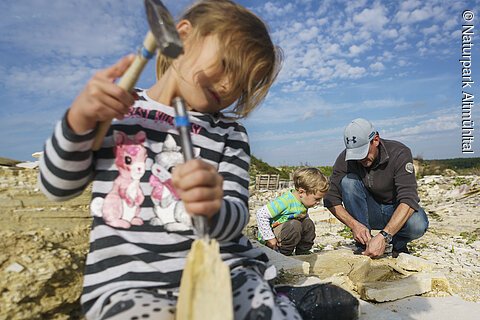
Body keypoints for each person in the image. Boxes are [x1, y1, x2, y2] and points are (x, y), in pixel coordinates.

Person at [38, 1, 304, 319]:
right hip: (127, 284)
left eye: (244, 84)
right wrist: (78, 120)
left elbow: (235, 219)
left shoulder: (230, 134)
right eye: (226, 63)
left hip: (223, 273)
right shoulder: (116, 109)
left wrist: (213, 206)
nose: (229, 85)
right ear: (184, 35)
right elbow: (57, 186)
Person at [323, 118, 429, 258]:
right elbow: (331, 198)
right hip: (367, 212)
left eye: (363, 153)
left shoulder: (399, 153)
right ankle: (364, 243)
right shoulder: (346, 159)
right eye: (356, 155)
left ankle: (395, 245)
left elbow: (409, 199)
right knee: (349, 182)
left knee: (418, 224)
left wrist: (384, 236)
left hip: (394, 210)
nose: (361, 159)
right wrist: (355, 225)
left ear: (376, 140)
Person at [256, 167, 329, 256]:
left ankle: (303, 253)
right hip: (273, 235)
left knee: (308, 224)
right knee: (294, 225)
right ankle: (284, 254)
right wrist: (270, 238)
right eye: (317, 199)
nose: (318, 202)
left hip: (285, 231)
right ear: (302, 192)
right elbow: (261, 214)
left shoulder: (303, 201)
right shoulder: (286, 201)